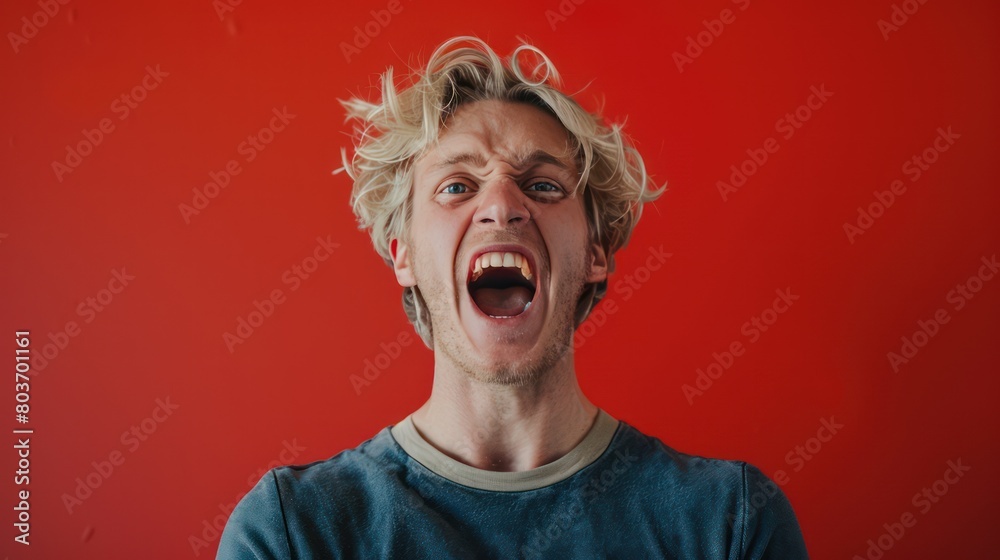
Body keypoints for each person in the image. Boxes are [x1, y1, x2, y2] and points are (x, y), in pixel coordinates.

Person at [218, 36, 809, 559]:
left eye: (543, 185)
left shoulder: (729, 525)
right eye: (457, 185)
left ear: (596, 252)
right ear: (404, 256)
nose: (502, 206)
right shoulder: (294, 532)